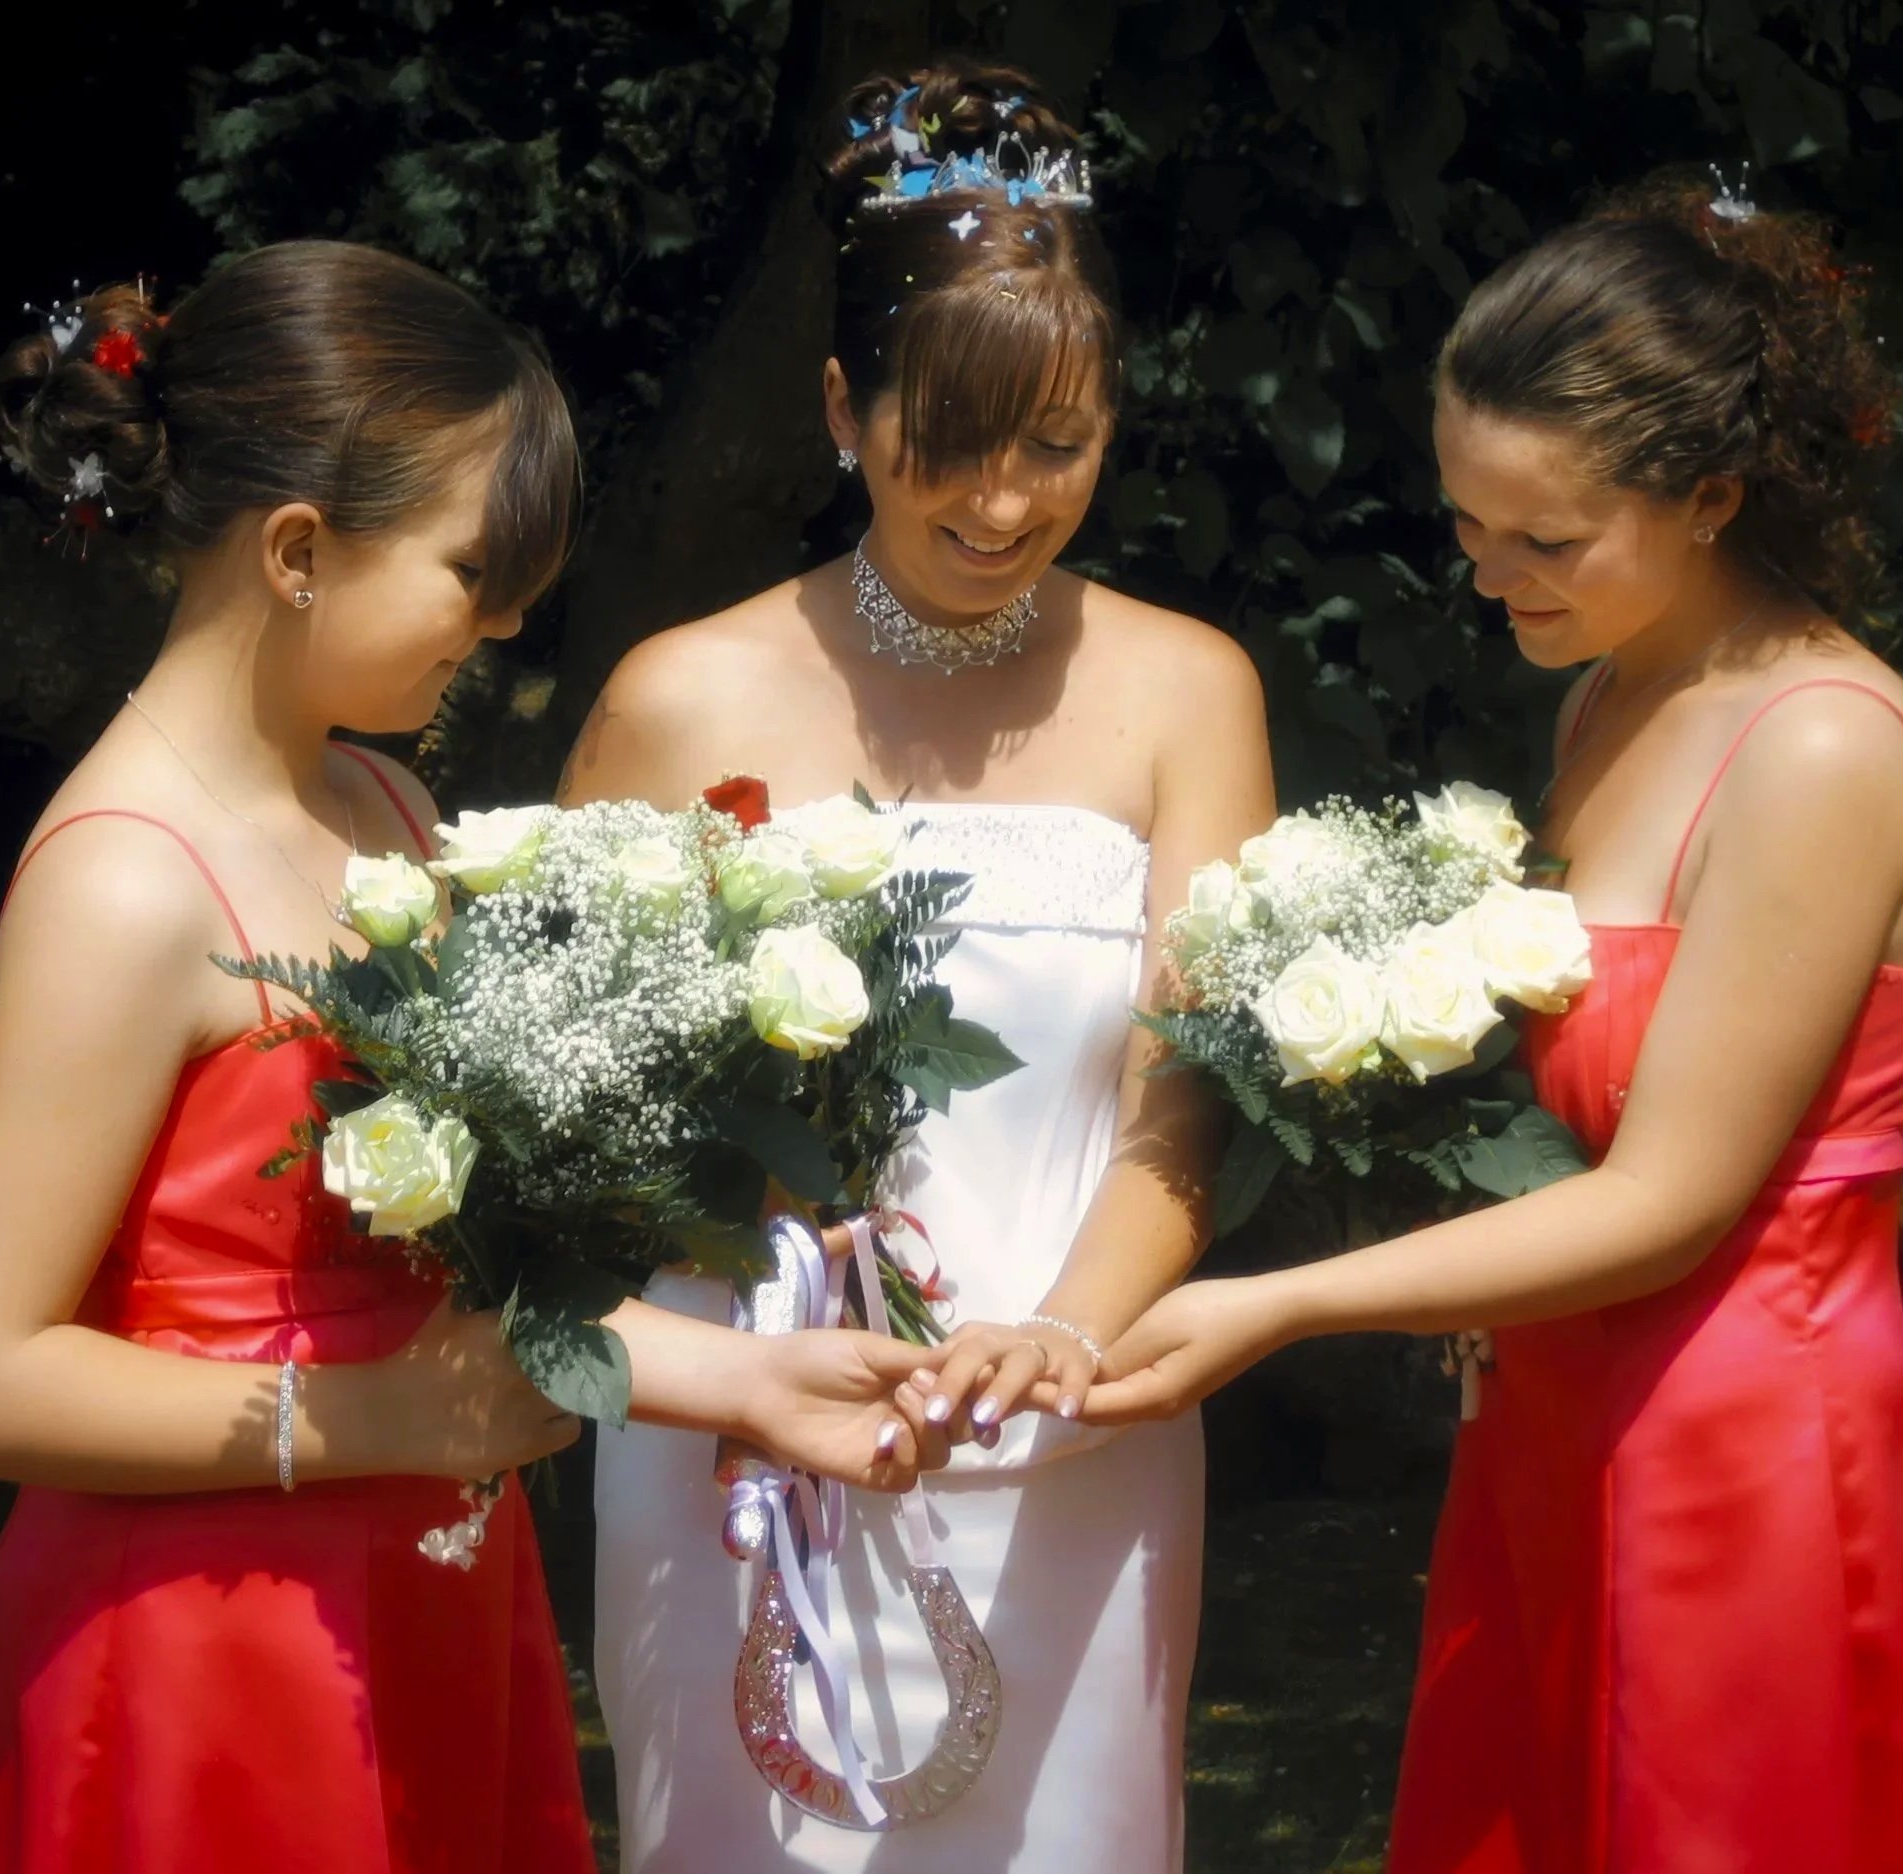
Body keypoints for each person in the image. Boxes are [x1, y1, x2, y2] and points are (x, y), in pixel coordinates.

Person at [0, 240, 936, 1874]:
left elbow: (446, 1287)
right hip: (194, 1648)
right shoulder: (123, 879)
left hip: (427, 1592)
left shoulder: (382, 806)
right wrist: (382, 1420)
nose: (507, 619)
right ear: (300, 549)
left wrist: (747, 1378)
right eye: (473, 569)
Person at [1069, 177, 1903, 1873]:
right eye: (1467, 522)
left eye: (1545, 538)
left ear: (1713, 496)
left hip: (1742, 1462)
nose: (1488, 575)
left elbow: (1671, 1197)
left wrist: (1282, 1301)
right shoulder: (1610, 685)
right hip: (1549, 1428)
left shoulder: (1818, 748)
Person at [564, 60, 1276, 1874]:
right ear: (839, 405)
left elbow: (1187, 1099)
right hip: (741, 1446)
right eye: (944, 441)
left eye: (1059, 444)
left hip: (1071, 1429)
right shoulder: (679, 695)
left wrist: (1064, 1335)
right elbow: (560, 1119)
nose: (1002, 502)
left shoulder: (1191, 692)